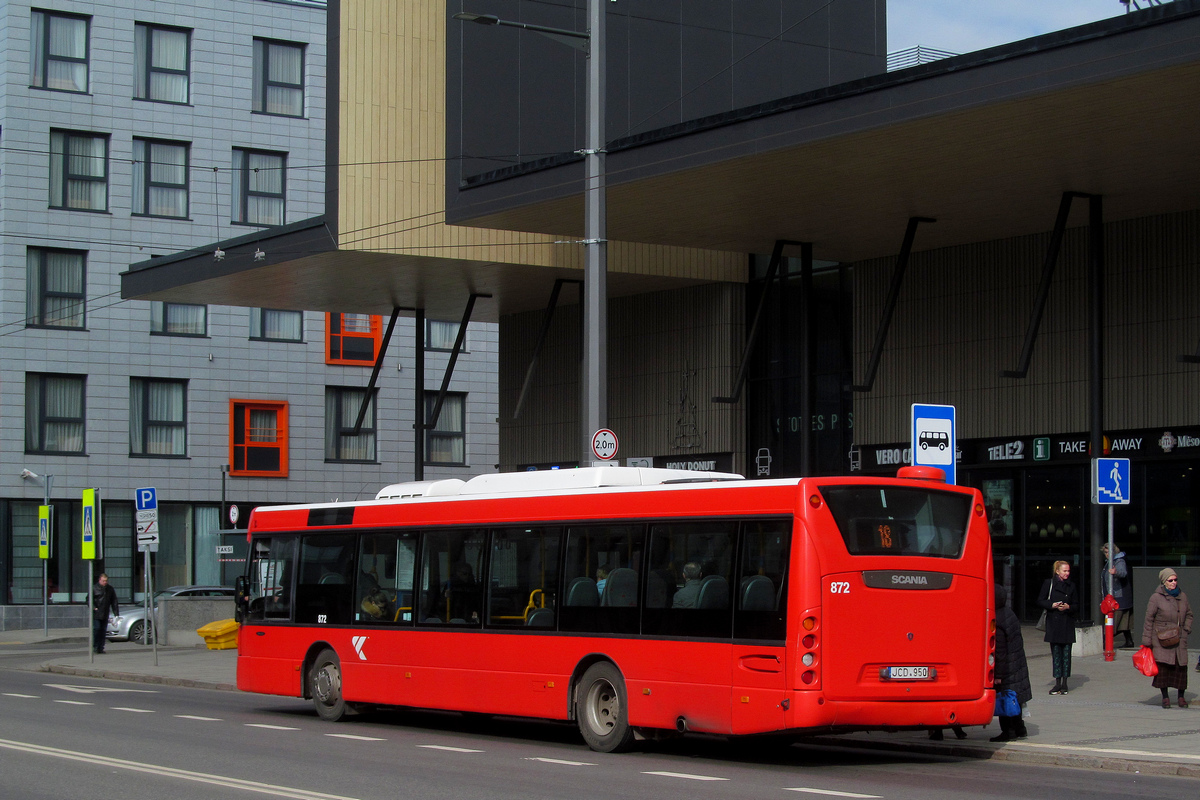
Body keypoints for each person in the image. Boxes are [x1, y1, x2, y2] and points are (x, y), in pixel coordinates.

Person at [1142, 567, 1192, 708]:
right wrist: (1147, 641)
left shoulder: (1183, 596)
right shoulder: (1156, 598)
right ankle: (1165, 697)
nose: (1174, 583)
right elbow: (1148, 619)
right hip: (1161, 639)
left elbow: (1189, 614)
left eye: (1175, 580)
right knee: (1163, 669)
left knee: (1181, 668)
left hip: (1179, 640)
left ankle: (1181, 697)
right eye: (1170, 580)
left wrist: (1186, 629)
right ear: (1164, 582)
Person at [991, 584, 1031, 741]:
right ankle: (1020, 728)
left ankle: (1008, 731)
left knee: (1004, 699)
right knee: (1016, 698)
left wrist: (998, 675)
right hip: (1017, 664)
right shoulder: (1009, 614)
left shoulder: (998, 618)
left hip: (1007, 668)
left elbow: (999, 650)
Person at [1037, 560, 1078, 695]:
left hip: (1067, 623)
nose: (1067, 573)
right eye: (1065, 571)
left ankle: (1065, 683)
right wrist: (1052, 605)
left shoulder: (1071, 586)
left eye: (1068, 571)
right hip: (1054, 624)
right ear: (1057, 571)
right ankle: (1057, 683)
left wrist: (1068, 607)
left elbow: (1077, 605)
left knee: (1066, 655)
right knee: (1056, 654)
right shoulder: (1049, 584)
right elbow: (1040, 600)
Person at [1102, 542, 1135, 648]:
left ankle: (1106, 643)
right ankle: (1129, 640)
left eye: (1109, 552)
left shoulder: (1119, 561)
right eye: (1105, 552)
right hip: (1116, 597)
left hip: (1118, 598)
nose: (1107, 554)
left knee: (1113, 622)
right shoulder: (1110, 562)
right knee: (1124, 621)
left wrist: (1116, 572)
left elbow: (1123, 572)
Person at [91, 573, 118, 655]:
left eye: (106, 581)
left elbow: (114, 601)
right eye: (103, 581)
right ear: (100, 580)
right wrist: (94, 607)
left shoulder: (110, 589)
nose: (105, 582)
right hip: (97, 613)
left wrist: (116, 613)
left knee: (103, 631)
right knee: (97, 629)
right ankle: (95, 646)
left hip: (105, 613)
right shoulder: (94, 588)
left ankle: (101, 647)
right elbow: (89, 599)